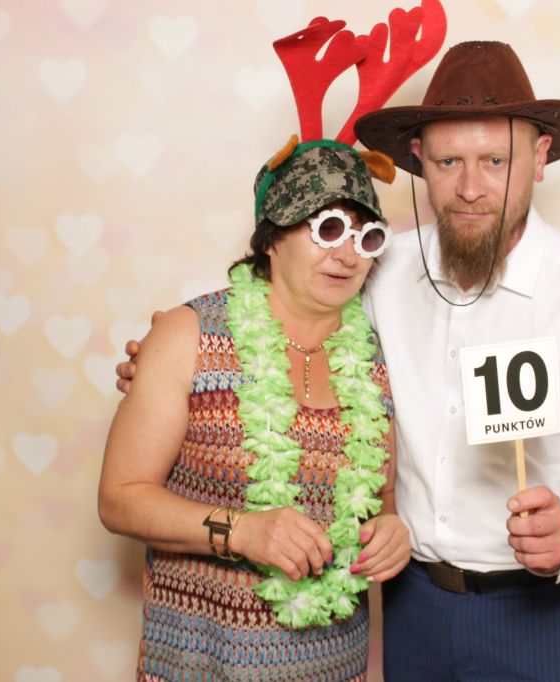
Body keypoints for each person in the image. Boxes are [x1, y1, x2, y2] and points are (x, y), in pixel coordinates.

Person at [119, 41, 560, 681]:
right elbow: (287, 312)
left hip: (543, 610)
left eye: (495, 160)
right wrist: (171, 362)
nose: (471, 187)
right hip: (414, 603)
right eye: (449, 161)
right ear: (419, 160)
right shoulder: (379, 264)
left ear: (539, 158)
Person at [98, 138, 411, 682]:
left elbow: (381, 500)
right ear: (271, 237)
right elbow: (119, 499)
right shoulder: (190, 336)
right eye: (328, 229)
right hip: (200, 665)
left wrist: (390, 530)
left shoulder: (379, 360)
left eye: (367, 238)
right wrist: (240, 532)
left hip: (337, 667)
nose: (348, 255)